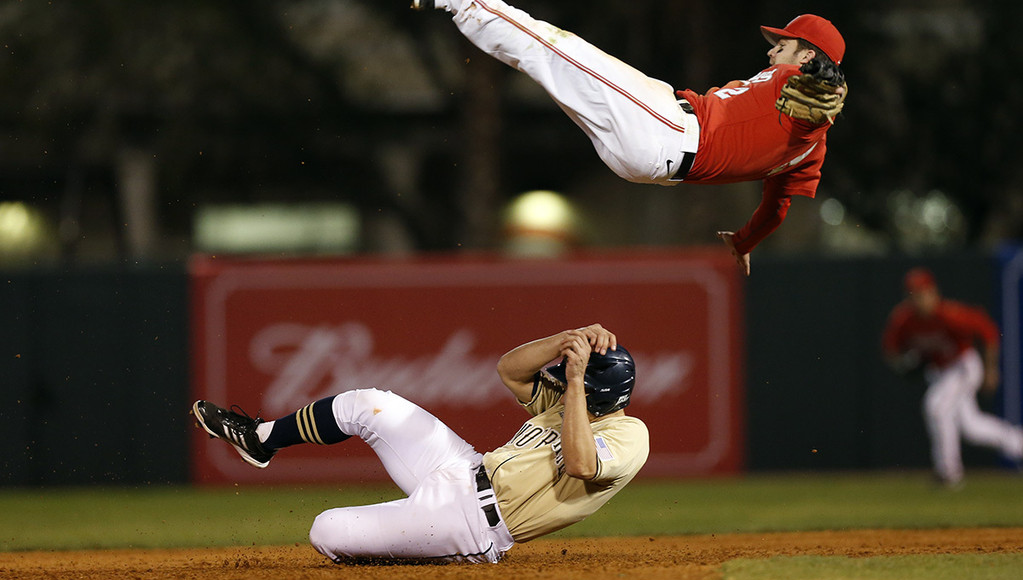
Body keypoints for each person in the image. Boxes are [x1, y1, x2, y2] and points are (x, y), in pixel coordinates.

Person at [410, 1, 848, 276]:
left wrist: (827, 90)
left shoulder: (802, 98)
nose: (773, 50)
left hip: (667, 128)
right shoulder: (809, 152)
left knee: (553, 48)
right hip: (648, 161)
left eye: (784, 44)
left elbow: (813, 108)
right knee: (548, 66)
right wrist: (744, 241)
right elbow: (776, 209)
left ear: (808, 56)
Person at [192, 323, 649, 564]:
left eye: (572, 380)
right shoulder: (567, 401)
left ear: (595, 394)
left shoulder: (629, 435)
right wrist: (563, 340)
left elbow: (582, 464)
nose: (560, 376)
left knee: (326, 529)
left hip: (471, 523)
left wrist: (572, 381)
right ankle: (261, 439)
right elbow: (510, 370)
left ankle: (439, 555)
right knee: (366, 404)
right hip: (461, 467)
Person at [881, 267, 1023, 488]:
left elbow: (988, 331)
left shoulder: (950, 314)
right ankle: (1018, 443)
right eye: (913, 295)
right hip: (940, 374)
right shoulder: (904, 319)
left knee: (936, 407)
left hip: (963, 366)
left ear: (933, 292)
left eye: (922, 293)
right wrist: (903, 363)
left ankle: (948, 473)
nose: (918, 299)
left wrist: (992, 369)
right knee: (972, 428)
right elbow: (890, 349)